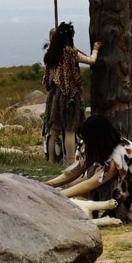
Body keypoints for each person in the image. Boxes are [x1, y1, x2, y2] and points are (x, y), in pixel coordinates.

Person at [47, 113, 132, 223]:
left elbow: (94, 182)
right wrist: (47, 185)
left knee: (103, 184)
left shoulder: (121, 152)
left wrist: (56, 196)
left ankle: (118, 212)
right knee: (72, 184)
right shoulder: (89, 145)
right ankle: (105, 205)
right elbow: (74, 172)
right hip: (116, 189)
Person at [41, 21, 98, 162]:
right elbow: (91, 60)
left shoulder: (51, 54)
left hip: (53, 94)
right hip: (68, 94)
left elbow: (46, 79)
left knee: (54, 130)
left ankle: (52, 161)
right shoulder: (70, 52)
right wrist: (96, 49)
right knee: (70, 129)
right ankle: (71, 161)